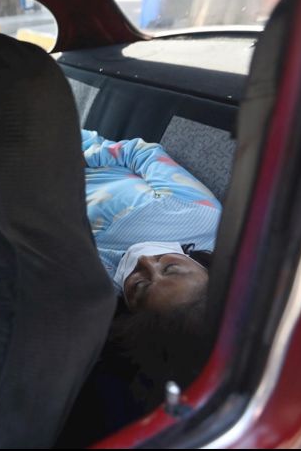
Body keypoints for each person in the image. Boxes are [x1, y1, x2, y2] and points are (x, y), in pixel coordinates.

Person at [80, 128, 220, 415]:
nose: (146, 264)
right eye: (171, 268)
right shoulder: (198, 215)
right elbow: (140, 153)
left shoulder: (92, 287)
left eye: (141, 286)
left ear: (129, 309)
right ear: (201, 266)